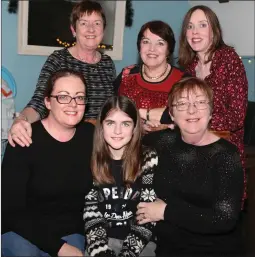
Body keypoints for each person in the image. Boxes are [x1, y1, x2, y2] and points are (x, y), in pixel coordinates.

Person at [137, 77, 244, 256]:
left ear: (211, 111)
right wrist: (139, 126)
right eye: (182, 104)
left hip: (212, 250)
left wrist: (166, 212)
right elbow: (123, 142)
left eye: (200, 102)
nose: (192, 110)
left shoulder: (226, 155)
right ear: (171, 114)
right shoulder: (161, 141)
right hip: (165, 248)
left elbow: (224, 219)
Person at [2, 70, 94, 256]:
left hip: (69, 228)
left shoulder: (90, 136)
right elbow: (9, 210)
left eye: (79, 97)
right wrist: (58, 248)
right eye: (63, 97)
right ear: (47, 102)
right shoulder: (24, 138)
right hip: (22, 228)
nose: (73, 104)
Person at [8, 0, 116, 147]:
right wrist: (21, 120)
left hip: (100, 144)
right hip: (65, 142)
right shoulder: (58, 60)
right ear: (73, 30)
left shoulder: (107, 64)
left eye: (97, 23)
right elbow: (40, 101)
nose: (91, 29)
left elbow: (111, 108)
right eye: (84, 23)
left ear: (103, 29)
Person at [83, 96, 158, 257]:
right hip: (101, 242)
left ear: (135, 128)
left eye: (125, 123)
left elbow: (148, 215)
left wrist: (128, 252)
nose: (118, 131)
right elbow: (91, 213)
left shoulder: (148, 158)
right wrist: (100, 251)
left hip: (141, 243)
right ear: (101, 126)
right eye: (110, 123)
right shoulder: (91, 160)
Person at [178, 5, 248, 175]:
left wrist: (193, 121)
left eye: (202, 25)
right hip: (193, 151)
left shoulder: (229, 60)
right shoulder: (189, 67)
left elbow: (237, 118)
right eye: (190, 26)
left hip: (223, 152)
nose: (195, 32)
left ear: (214, 30)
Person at [114, 20, 187, 131]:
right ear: (139, 46)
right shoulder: (126, 75)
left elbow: (188, 117)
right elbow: (111, 112)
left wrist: (140, 114)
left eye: (160, 43)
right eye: (146, 42)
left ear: (169, 50)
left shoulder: (183, 80)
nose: (152, 49)